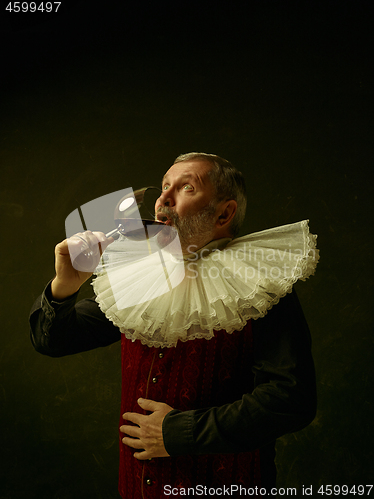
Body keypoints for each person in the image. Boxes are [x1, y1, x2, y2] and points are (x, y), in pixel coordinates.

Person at [30, 153, 318, 498]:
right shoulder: (138, 278)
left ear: (224, 213)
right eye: (164, 186)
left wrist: (180, 432)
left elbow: (291, 399)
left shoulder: (260, 286)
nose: (164, 199)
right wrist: (66, 286)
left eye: (186, 188)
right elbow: (53, 340)